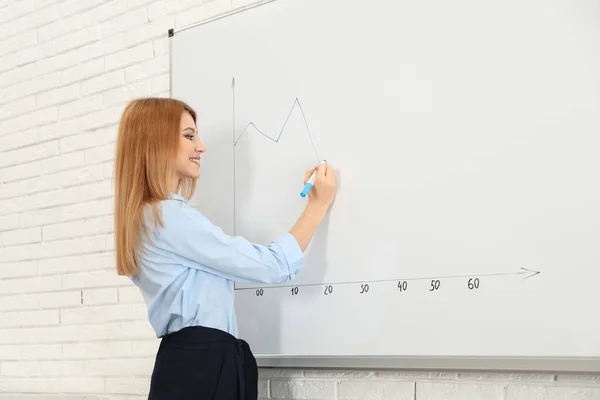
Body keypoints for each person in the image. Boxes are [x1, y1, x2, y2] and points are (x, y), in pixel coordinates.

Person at [113, 97, 336, 399]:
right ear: (157, 142)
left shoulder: (146, 218)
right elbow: (272, 266)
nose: (201, 146)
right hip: (203, 369)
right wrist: (318, 205)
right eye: (189, 136)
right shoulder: (168, 218)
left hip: (188, 365)